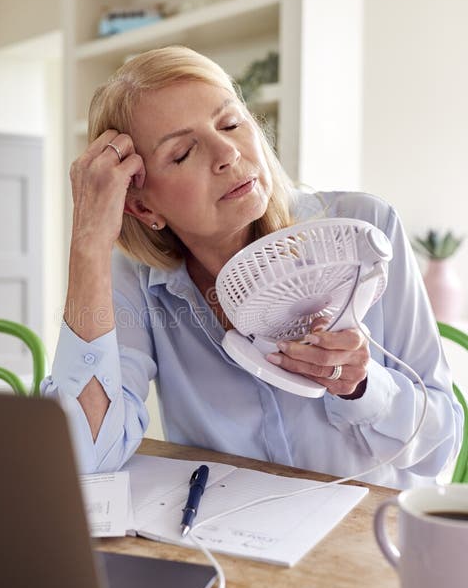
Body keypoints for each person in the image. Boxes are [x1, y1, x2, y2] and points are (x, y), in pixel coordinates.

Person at [42, 46, 462, 488]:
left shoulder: (365, 230)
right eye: (183, 152)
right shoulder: (137, 280)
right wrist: (88, 245)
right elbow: (85, 458)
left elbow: (442, 448)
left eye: (231, 123)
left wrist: (362, 387)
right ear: (143, 206)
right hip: (232, 543)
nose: (227, 152)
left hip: (367, 543)